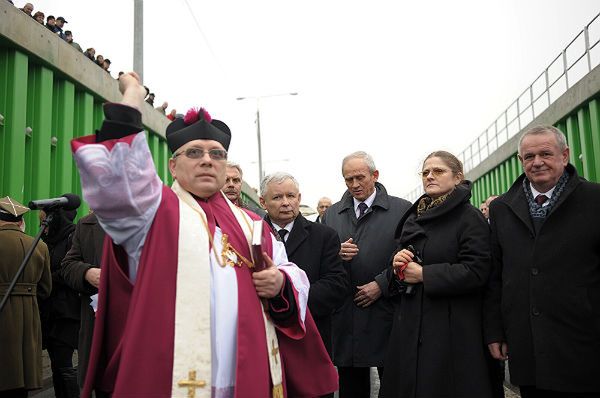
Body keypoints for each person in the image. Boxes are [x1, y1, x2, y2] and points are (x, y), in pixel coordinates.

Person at [73, 72, 337, 397]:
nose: (208, 161)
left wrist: (280, 282)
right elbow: (117, 179)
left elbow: (290, 273)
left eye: (217, 154)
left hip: (244, 373)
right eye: (194, 153)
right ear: (172, 166)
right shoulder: (152, 212)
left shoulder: (253, 223)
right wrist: (132, 98)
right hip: (171, 375)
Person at [484, 125, 600, 398]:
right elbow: (495, 275)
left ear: (565, 155)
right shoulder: (502, 209)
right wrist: (494, 331)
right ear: (520, 161)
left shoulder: (594, 200)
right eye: (529, 156)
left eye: (546, 154)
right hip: (528, 345)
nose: (537, 162)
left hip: (584, 343)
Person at [379, 151, 494, 398]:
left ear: (457, 177)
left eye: (438, 171)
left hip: (451, 330)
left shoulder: (469, 217)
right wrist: (398, 264)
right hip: (410, 326)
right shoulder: (413, 217)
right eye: (425, 172)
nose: (430, 176)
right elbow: (402, 269)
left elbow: (477, 271)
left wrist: (425, 275)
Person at [322, 151, 411, 398]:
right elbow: (322, 261)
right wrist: (335, 253)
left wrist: (381, 285)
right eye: (348, 179)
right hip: (346, 316)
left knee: (394, 386)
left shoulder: (401, 209)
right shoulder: (331, 214)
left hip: (387, 311)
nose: (354, 185)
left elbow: (411, 255)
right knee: (351, 388)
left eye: (359, 178)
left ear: (375, 175)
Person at [260, 172, 348, 359]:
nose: (286, 202)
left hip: (311, 337)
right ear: (262, 202)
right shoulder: (250, 235)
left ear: (299, 198)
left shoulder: (324, 236)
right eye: (277, 197)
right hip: (264, 339)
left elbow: (336, 285)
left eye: (290, 196)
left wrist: (289, 299)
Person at [0, 197, 52, 398]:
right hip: (28, 317)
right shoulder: (39, 246)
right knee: (21, 375)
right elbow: (46, 289)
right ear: (21, 222)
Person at [39, 206, 81, 398]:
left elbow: (69, 271)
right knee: (57, 364)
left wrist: (46, 277)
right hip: (49, 309)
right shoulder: (45, 240)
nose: (43, 227)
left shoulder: (73, 237)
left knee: (64, 363)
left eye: (45, 222)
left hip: (67, 310)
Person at [60, 212, 105, 390]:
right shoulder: (87, 224)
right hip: (98, 326)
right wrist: (86, 273)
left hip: (139, 326)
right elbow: (68, 265)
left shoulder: (152, 220)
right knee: (103, 385)